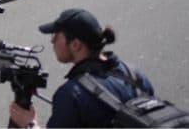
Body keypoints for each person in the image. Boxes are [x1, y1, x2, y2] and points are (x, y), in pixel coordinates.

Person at [9, 9, 155, 128]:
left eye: (56, 36)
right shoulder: (135, 75)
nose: (52, 41)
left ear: (75, 44)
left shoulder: (71, 95)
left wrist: (29, 124)